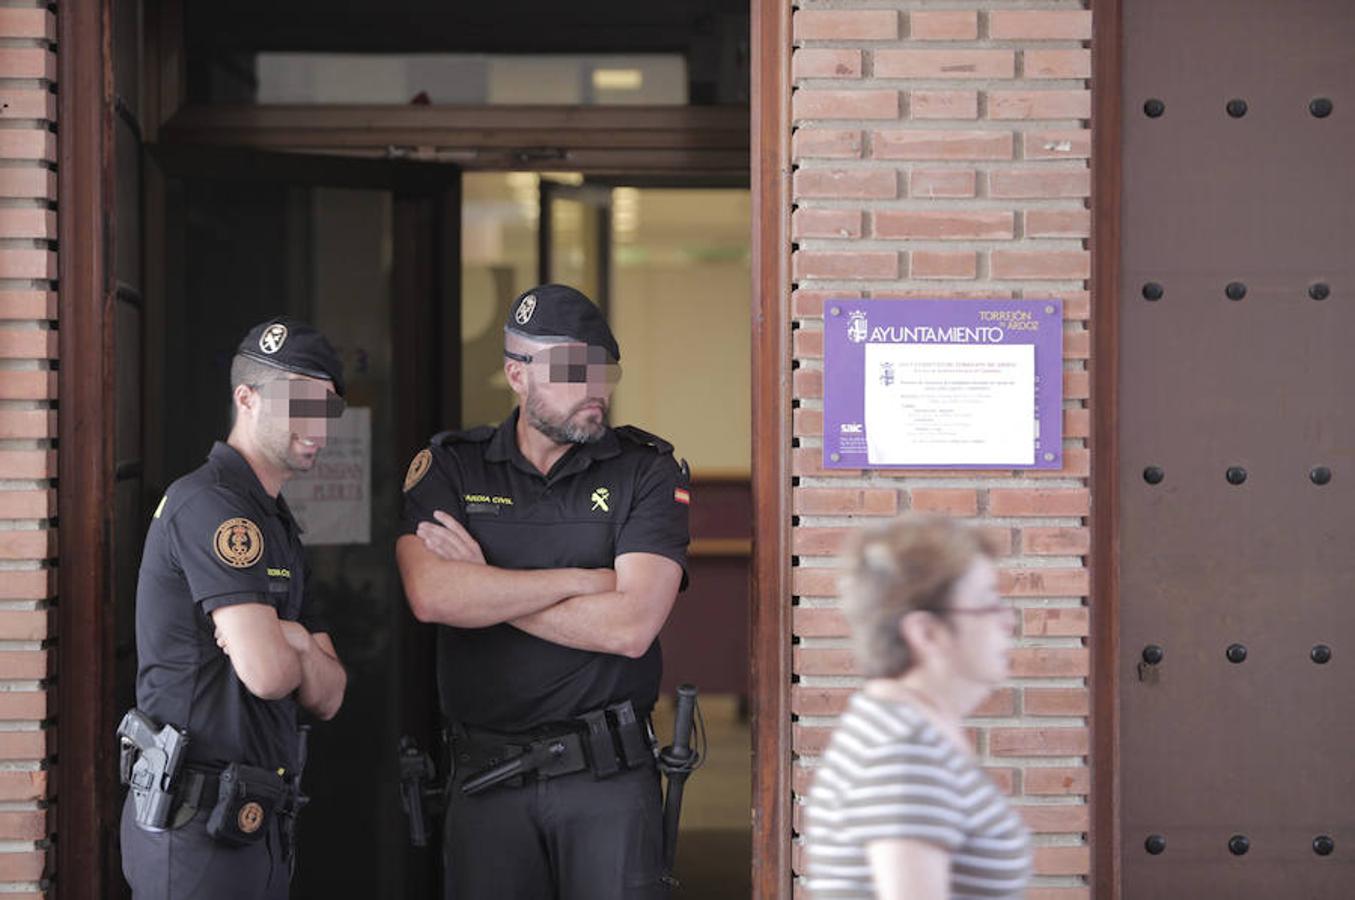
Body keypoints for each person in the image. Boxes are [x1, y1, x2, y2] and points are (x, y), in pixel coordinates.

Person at [396, 283, 690, 900]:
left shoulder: (646, 470)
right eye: (573, 373)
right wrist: (584, 581)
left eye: (603, 372)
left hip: (609, 781)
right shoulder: (453, 467)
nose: (596, 389)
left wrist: (486, 588)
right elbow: (433, 597)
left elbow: (631, 627)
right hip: (486, 780)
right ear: (517, 374)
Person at [120, 317, 349, 899]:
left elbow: (329, 695)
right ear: (246, 398)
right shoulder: (210, 505)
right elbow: (268, 675)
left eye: (328, 410)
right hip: (193, 826)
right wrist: (291, 649)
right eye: (302, 406)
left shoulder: (278, 525)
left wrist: (293, 637)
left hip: (255, 823)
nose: (318, 427)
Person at [802, 515, 1031, 899]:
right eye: (988, 605)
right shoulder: (904, 751)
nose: (1008, 621)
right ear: (926, 632)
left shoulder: (907, 726)